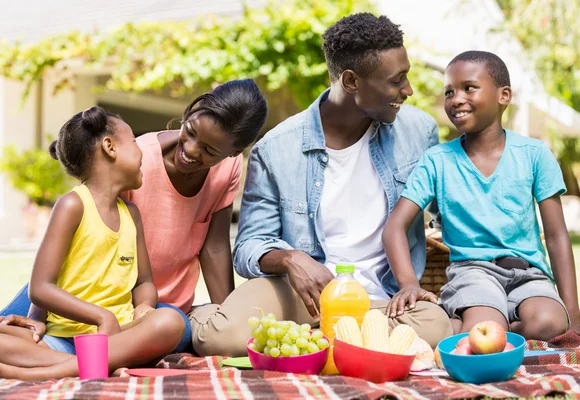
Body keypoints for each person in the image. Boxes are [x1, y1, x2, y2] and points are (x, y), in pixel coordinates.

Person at [188, 13, 453, 357]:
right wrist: (290, 259)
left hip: (382, 301)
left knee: (436, 325)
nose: (408, 90)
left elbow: (446, 211)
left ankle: (309, 344)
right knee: (219, 339)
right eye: (396, 80)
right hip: (301, 297)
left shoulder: (419, 131)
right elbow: (249, 245)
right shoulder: (276, 149)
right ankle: (208, 315)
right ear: (351, 81)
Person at [0, 79, 269, 353]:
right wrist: (37, 316)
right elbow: (68, 260)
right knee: (14, 329)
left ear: (233, 153)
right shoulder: (135, 164)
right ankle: (60, 357)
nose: (190, 149)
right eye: (190, 131)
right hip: (85, 294)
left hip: (148, 308)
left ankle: (65, 358)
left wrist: (227, 321)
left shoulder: (228, 169)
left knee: (177, 327)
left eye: (210, 151)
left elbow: (215, 247)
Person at [382, 50, 580, 341]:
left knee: (551, 323)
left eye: (469, 88)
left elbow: (557, 235)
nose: (456, 99)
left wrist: (574, 317)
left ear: (503, 95)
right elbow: (395, 226)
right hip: (472, 273)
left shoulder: (534, 155)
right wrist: (408, 284)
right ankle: (482, 327)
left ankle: (487, 331)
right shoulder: (437, 160)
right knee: (485, 327)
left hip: (528, 274)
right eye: (449, 92)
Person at [0, 107, 185, 380]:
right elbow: (40, 287)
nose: (141, 151)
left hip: (117, 337)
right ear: (110, 147)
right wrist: (100, 316)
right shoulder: (72, 205)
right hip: (63, 338)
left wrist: (144, 306)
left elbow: (144, 282)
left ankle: (55, 369)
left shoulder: (131, 214)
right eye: (134, 141)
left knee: (171, 322)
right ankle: (87, 365)